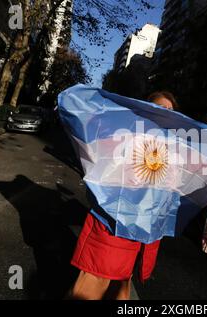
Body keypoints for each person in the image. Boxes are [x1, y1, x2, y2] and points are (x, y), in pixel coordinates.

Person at [68, 91, 178, 300]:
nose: (164, 115)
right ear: (143, 111)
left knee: (118, 291)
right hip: (112, 231)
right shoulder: (124, 137)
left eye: (170, 112)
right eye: (158, 109)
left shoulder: (170, 150)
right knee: (89, 291)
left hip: (138, 236)